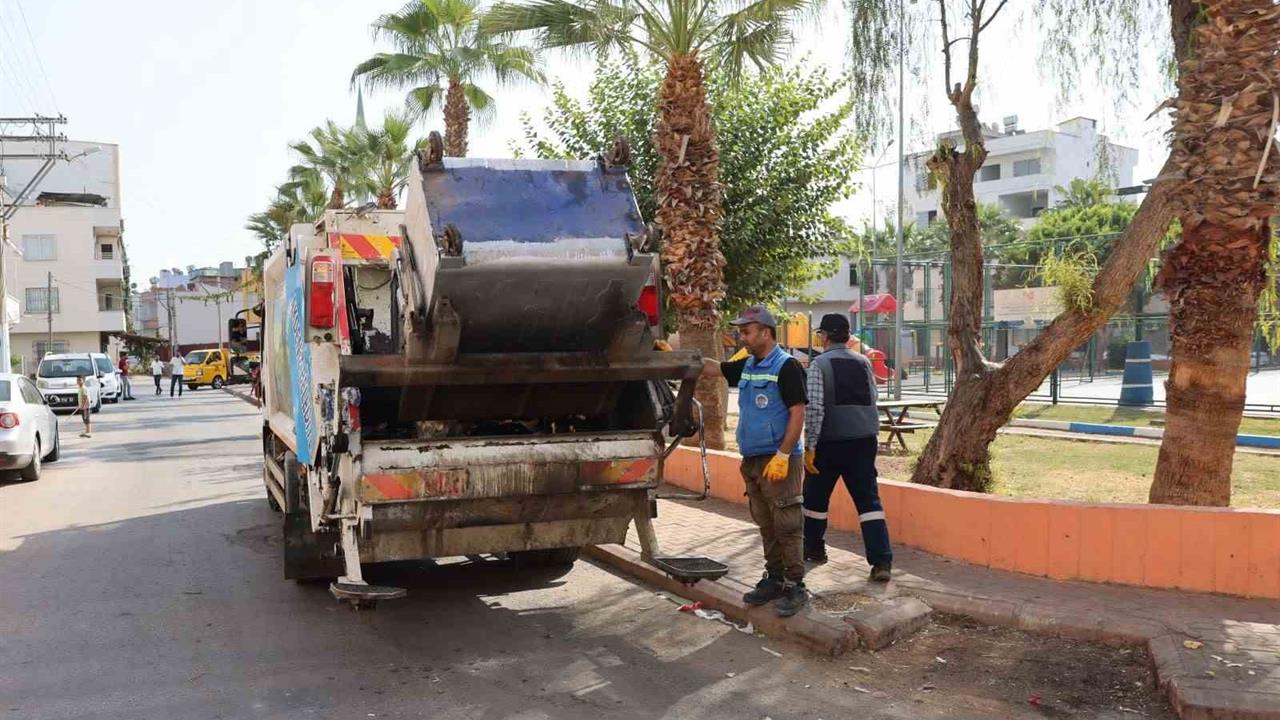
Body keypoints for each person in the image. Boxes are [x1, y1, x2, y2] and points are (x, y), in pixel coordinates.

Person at [700, 305, 809, 617]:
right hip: (752, 458)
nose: (742, 336)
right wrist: (682, 360)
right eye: (741, 331)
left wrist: (784, 454)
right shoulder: (748, 364)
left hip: (778, 459)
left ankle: (795, 585)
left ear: (765, 331)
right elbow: (714, 368)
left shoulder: (786, 366)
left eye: (746, 331)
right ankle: (774, 579)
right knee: (766, 522)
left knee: (787, 523)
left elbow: (797, 412)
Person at [802, 313, 893, 582]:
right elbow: (872, 398)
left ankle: (815, 549)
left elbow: (815, 409)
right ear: (848, 336)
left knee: (816, 499)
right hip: (864, 440)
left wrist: (810, 446)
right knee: (869, 502)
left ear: (825, 337)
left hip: (830, 442)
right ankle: (882, 561)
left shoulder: (819, 365)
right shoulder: (864, 363)